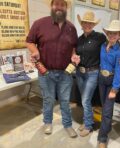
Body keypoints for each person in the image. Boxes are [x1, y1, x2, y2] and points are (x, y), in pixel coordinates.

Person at [26, 0, 80, 138]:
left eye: (62, 5)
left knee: (65, 101)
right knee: (48, 99)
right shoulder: (39, 24)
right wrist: (34, 51)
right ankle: (48, 122)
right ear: (51, 6)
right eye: (56, 4)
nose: (59, 7)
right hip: (45, 71)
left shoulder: (71, 28)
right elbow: (29, 41)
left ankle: (67, 125)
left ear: (66, 7)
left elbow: (73, 47)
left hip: (66, 73)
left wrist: (74, 56)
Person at [98, 20, 120, 148]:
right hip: (101, 80)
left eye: (115, 33)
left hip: (111, 82)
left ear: (119, 35)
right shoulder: (102, 46)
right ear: (107, 34)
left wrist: (115, 89)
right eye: (110, 33)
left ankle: (102, 138)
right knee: (104, 107)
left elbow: (118, 71)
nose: (112, 36)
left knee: (107, 111)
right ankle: (107, 126)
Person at [75, 11, 106, 137]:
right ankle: (87, 119)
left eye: (90, 23)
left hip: (93, 73)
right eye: (85, 22)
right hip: (79, 73)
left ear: (93, 25)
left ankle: (88, 125)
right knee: (85, 100)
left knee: (85, 99)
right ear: (81, 24)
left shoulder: (100, 37)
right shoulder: (79, 39)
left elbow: (111, 46)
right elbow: (76, 54)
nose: (87, 25)